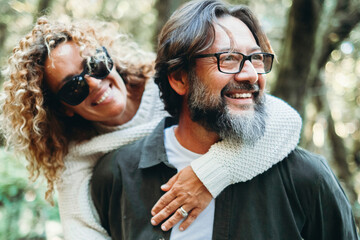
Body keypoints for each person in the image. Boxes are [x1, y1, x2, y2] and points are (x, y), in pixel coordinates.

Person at [0, 12, 302, 240]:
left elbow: (284, 119)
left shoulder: (169, 85)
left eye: (95, 64)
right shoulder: (80, 157)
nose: (94, 83)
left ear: (109, 56)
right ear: (63, 108)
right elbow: (82, 230)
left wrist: (208, 175)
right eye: (73, 88)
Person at [91, 0, 359, 239]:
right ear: (179, 78)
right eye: (228, 59)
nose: (251, 75)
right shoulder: (115, 175)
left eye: (256, 58)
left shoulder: (307, 177)